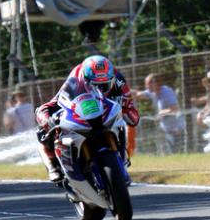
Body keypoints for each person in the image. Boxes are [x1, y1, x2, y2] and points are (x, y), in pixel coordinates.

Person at [35, 55, 139, 183]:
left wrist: (127, 109)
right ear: (86, 80)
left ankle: (122, 161)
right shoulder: (76, 79)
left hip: (106, 113)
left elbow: (132, 114)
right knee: (42, 132)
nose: (100, 90)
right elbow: (50, 105)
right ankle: (53, 165)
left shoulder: (118, 80)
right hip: (83, 110)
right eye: (96, 86)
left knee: (124, 122)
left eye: (104, 86)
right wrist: (46, 119)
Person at [134, 73, 185, 154]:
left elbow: (175, 109)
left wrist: (161, 112)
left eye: (147, 84)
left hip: (176, 129)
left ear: (155, 83)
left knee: (178, 153)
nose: (146, 87)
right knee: (171, 155)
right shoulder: (153, 92)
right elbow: (138, 95)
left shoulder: (167, 92)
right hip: (167, 129)